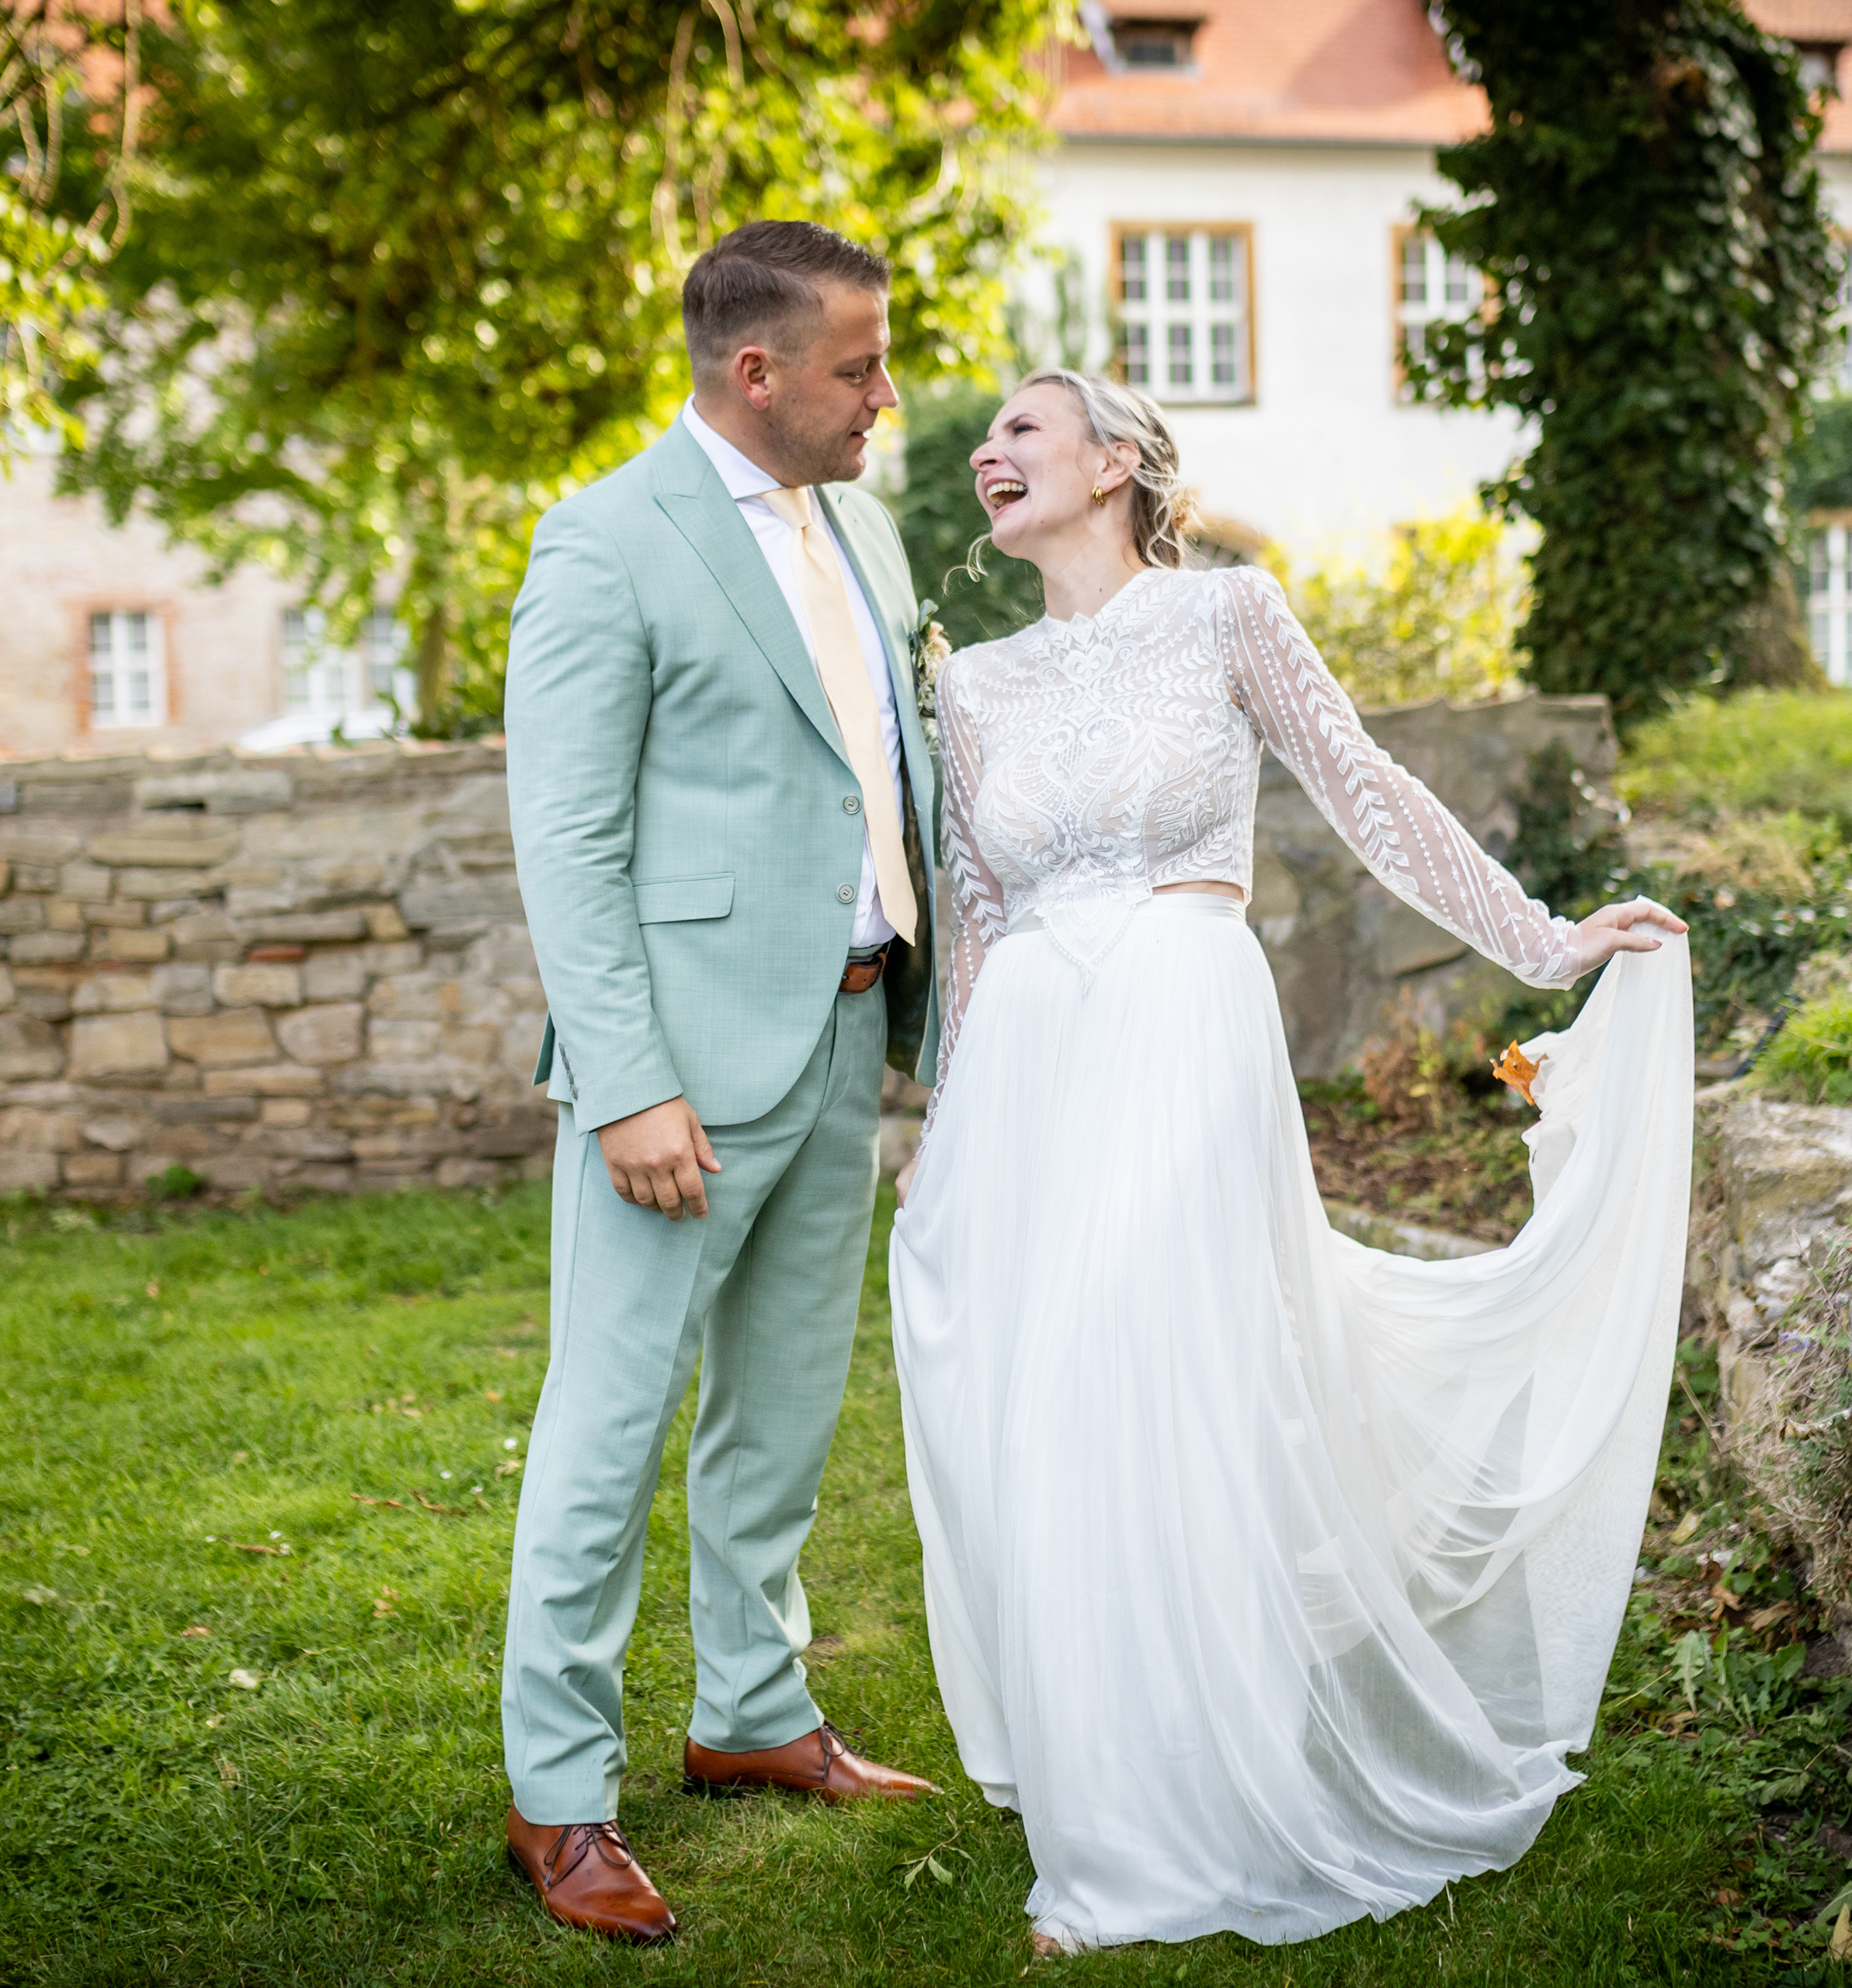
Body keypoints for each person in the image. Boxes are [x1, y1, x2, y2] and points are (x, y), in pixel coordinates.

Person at [888, 368, 1697, 1953]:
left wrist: (1545, 939)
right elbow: (977, 921)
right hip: (1032, 1060)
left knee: (1170, 1363)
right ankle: (1107, 1775)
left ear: (1118, 460)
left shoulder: (1227, 618)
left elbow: (1372, 795)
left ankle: (1165, 1831)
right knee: (1050, 1399)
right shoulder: (971, 684)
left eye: (1022, 429)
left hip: (1184, 1021)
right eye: (985, 439)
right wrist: (941, 1126)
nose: (987, 453)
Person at [497, 220, 943, 1945]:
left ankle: (753, 1711)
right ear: (754, 370)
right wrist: (625, 1083)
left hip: (842, 1033)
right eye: (857, 367)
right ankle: (559, 1795)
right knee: (607, 1433)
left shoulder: (872, 532)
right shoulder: (605, 542)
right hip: (675, 1075)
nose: (883, 397)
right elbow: (570, 843)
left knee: (780, 1411)